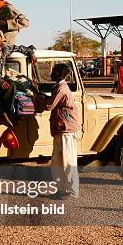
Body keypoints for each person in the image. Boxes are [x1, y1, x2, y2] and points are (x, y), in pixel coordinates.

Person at [48, 63, 80, 198]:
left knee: (68, 162)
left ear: (59, 74)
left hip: (66, 129)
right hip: (60, 129)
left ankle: (72, 190)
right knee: (58, 162)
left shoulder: (61, 89)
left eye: (54, 71)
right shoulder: (59, 87)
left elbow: (49, 105)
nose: (51, 73)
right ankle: (62, 189)